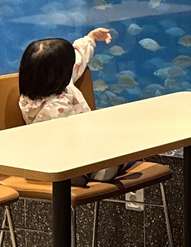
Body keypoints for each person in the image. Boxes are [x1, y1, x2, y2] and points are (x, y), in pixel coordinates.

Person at [18, 27, 129, 183]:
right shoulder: (53, 110)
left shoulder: (54, 84)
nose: (72, 68)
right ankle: (81, 175)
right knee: (122, 147)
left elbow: (78, 57)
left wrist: (90, 38)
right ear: (60, 73)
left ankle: (91, 170)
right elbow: (62, 143)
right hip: (63, 155)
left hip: (79, 147)